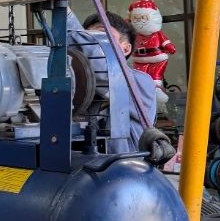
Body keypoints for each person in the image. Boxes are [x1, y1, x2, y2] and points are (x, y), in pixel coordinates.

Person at [67, 8, 158, 154]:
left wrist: (67, 17)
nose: (93, 45)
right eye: (89, 38)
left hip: (128, 164)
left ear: (126, 49)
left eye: (102, 37)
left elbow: (104, 72)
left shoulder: (141, 81)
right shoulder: (78, 83)